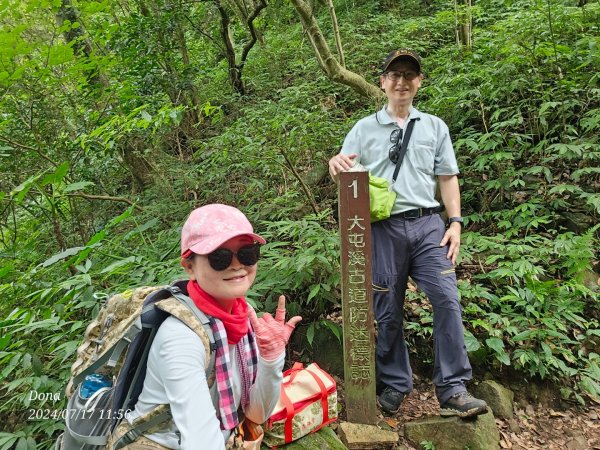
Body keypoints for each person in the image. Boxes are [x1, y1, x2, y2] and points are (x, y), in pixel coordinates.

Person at [328, 49, 487, 418]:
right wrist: (335, 163)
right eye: (393, 74)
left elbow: (447, 177)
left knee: (447, 299)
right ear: (382, 82)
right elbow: (344, 169)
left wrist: (456, 222)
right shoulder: (364, 128)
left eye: (408, 75)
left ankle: (453, 388)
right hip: (383, 229)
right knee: (387, 309)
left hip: (429, 224)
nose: (401, 81)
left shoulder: (435, 126)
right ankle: (396, 383)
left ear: (418, 82)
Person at [123, 204, 301, 449]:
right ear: (189, 267)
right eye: (219, 257)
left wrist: (272, 358)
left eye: (247, 253)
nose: (237, 265)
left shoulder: (240, 319)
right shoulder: (180, 337)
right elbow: (201, 442)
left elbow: (256, 416)